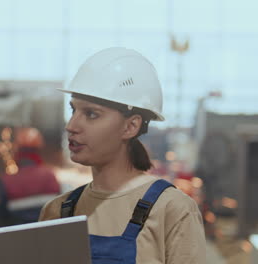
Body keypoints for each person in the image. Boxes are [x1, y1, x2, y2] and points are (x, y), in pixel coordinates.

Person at [39, 47, 205, 263]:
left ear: (130, 126)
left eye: (91, 114)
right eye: (73, 111)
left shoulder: (172, 210)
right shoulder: (57, 211)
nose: (71, 125)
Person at [0, 127, 60, 225]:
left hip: (16, 235)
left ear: (17, 151)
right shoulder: (50, 176)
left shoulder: (7, 181)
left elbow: (0, 216)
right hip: (47, 234)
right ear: (40, 150)